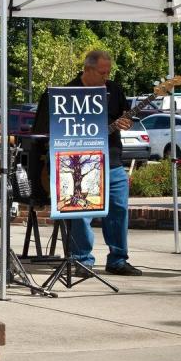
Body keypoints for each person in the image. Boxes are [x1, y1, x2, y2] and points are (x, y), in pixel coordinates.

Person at [33, 50, 141, 276]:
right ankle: (82, 260)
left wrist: (126, 123)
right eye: (103, 72)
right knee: (81, 211)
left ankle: (118, 259)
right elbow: (44, 130)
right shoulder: (64, 93)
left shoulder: (114, 89)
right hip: (79, 161)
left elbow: (127, 116)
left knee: (119, 209)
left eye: (109, 72)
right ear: (88, 69)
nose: (106, 76)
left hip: (112, 159)